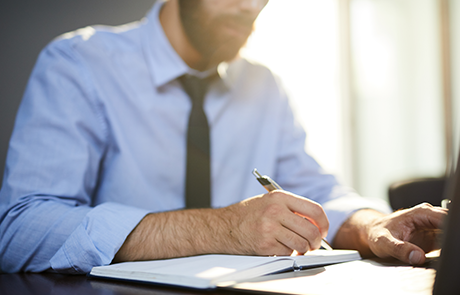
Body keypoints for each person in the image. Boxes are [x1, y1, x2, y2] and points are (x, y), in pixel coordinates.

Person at [0, 0, 447, 273]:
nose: (253, 6)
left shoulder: (264, 85)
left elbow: (315, 191)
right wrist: (224, 229)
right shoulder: (78, 64)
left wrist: (371, 226)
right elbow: (20, 228)